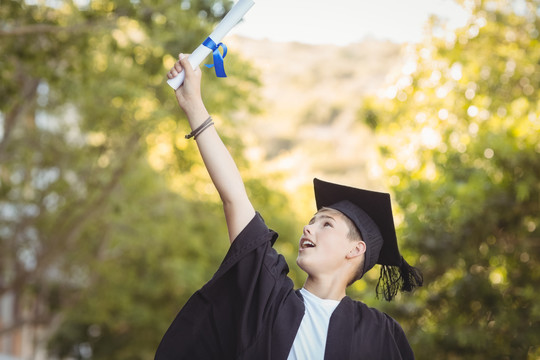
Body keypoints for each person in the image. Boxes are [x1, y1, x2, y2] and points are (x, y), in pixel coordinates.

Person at [155, 53, 423, 360]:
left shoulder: (381, 334)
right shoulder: (269, 299)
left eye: (327, 224)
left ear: (356, 249)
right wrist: (193, 104)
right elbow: (234, 197)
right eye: (313, 219)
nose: (308, 227)